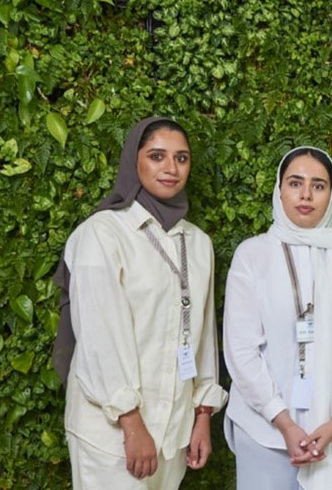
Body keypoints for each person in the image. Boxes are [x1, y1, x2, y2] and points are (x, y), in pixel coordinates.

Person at [53, 116, 228, 490]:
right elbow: (100, 334)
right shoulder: (102, 233)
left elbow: (201, 336)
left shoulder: (197, 243)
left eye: (181, 158)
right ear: (134, 161)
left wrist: (201, 415)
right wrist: (132, 425)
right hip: (110, 433)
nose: (171, 168)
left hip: (173, 429)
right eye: (157, 156)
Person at [223, 146, 332, 490]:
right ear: (279, 190)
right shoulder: (252, 255)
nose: (306, 194)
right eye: (295, 183)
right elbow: (241, 349)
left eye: (319, 185)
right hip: (264, 429)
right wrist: (284, 422)